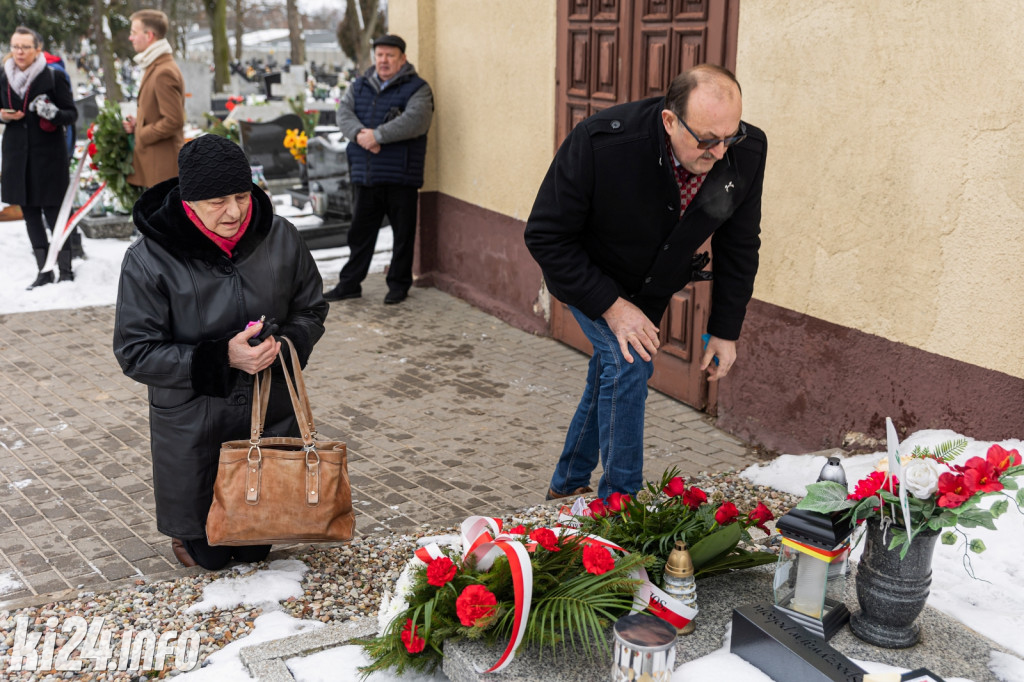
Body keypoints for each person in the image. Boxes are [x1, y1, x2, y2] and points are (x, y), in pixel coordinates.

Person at [524, 64, 767, 500]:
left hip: (652, 282)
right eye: (707, 139)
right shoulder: (603, 142)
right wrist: (614, 308)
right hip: (588, 274)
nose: (719, 151)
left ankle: (565, 487)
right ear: (670, 120)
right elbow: (545, 234)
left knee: (610, 371)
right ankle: (620, 508)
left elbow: (740, 243)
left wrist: (725, 331)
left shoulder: (746, 150)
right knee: (629, 363)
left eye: (730, 136)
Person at [113, 134, 328, 570]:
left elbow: (311, 307)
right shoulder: (148, 258)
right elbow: (135, 351)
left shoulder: (281, 236)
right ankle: (187, 538)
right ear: (189, 202)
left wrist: (285, 345)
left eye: (241, 195)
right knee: (209, 554)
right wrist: (221, 358)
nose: (233, 211)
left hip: (268, 409)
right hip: (195, 421)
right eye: (217, 202)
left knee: (256, 546)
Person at [325, 33, 434, 305]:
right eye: (380, 55)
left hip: (401, 176)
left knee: (402, 235)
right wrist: (362, 134)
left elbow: (416, 121)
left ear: (402, 59)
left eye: (390, 55)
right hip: (366, 175)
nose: (383, 60)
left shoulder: (417, 87)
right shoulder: (360, 85)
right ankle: (350, 284)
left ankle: (398, 285)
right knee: (359, 234)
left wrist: (378, 136)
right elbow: (344, 114)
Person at [0, 26, 79, 288]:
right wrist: (3, 115)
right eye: (14, 47)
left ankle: (66, 269)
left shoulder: (53, 77)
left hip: (48, 158)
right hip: (17, 157)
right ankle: (44, 270)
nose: (19, 52)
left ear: (37, 50)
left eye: (24, 47)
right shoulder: (3, 77)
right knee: (30, 213)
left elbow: (71, 114)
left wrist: (51, 112)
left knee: (56, 214)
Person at [122, 9, 185, 190]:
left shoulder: (163, 71)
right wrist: (138, 124)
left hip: (163, 169)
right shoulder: (154, 66)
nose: (130, 38)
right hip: (155, 166)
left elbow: (174, 121)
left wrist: (142, 133)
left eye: (134, 33)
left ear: (149, 35)